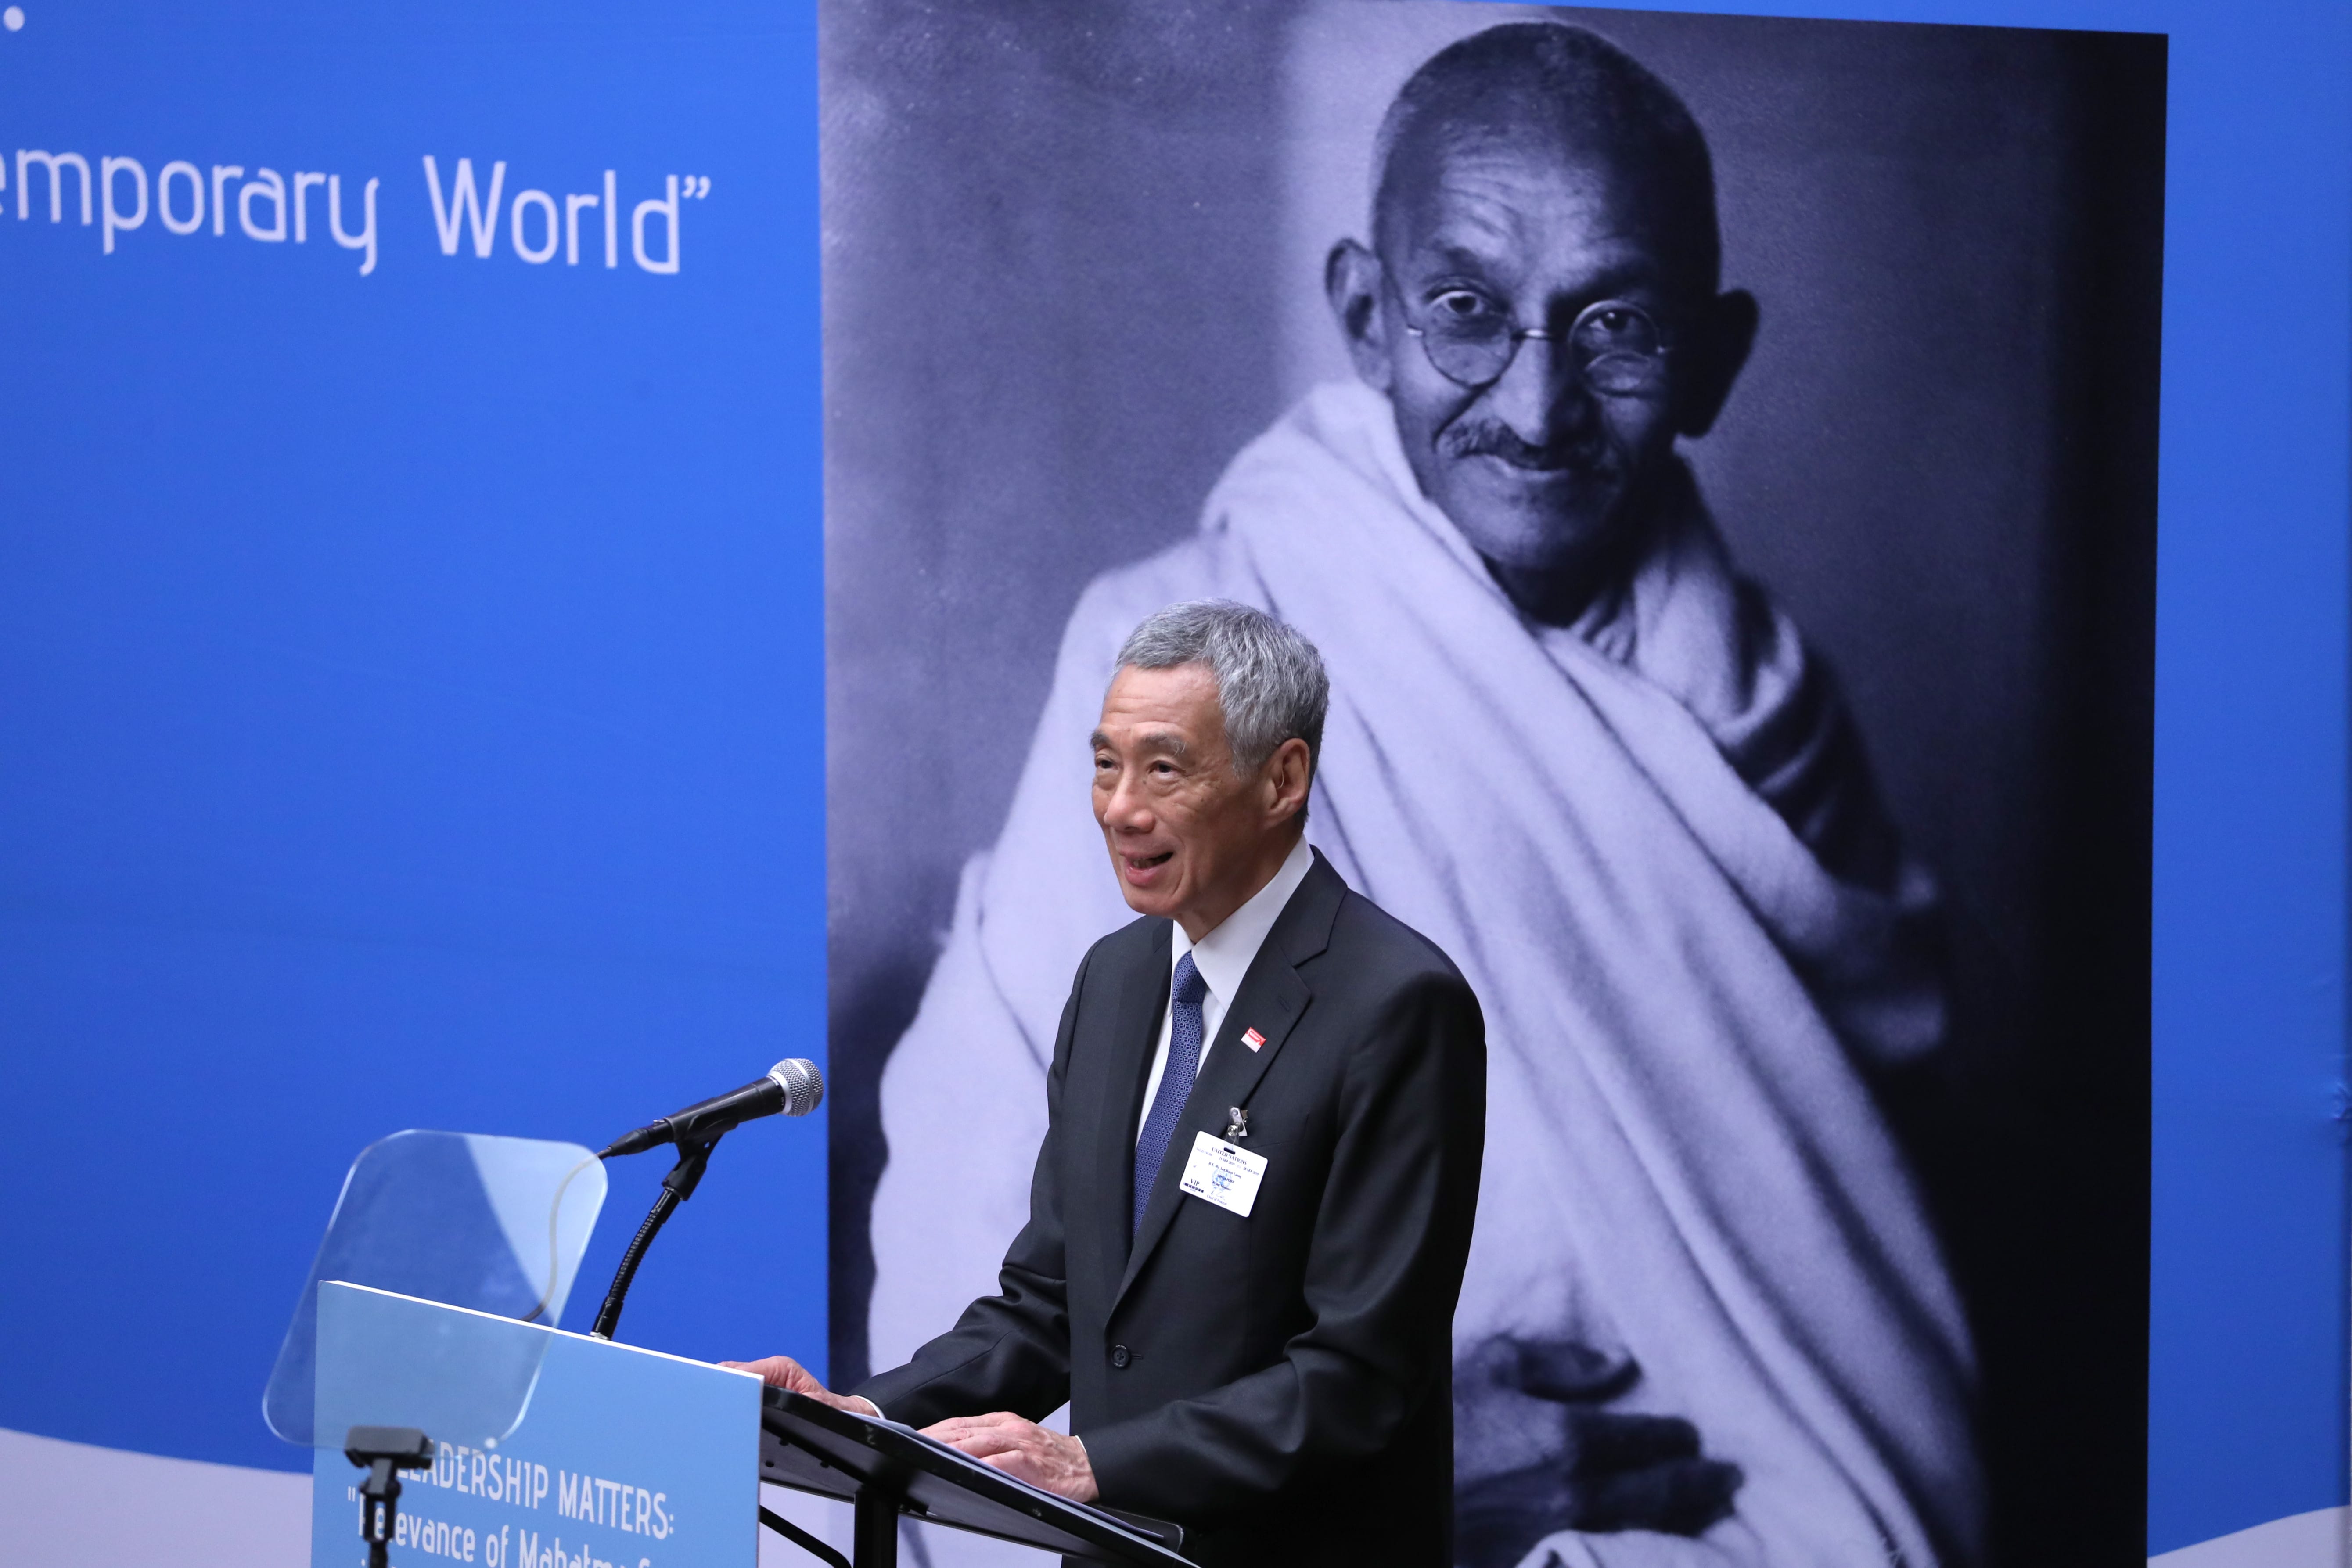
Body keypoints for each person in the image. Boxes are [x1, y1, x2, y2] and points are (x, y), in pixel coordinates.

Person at [866, 21, 1983, 1568]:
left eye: (1616, 325)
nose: (1534, 408)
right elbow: (990, 1294)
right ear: (1365, 315)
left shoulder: (1773, 724)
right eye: (1467, 311)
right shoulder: (1182, 660)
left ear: (1713, 359)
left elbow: (1855, 1356)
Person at [741, 603, 1487, 1567]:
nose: (1121, 807)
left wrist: (1095, 1461)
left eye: (1165, 767)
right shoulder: (1118, 979)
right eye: (1105, 763)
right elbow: (1051, 1301)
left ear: (1283, 779)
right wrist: (863, 1415)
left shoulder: (1398, 1004)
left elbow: (1359, 1373)